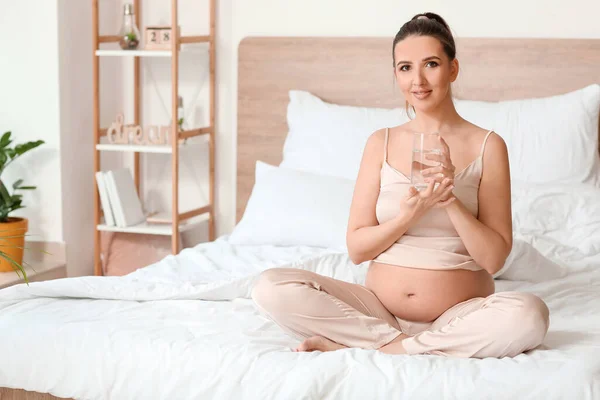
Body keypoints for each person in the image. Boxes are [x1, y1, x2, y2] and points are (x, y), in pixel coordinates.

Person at [250, 12, 550, 358]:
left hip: (458, 317)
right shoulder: (381, 142)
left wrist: (449, 199)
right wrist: (407, 217)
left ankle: (378, 346)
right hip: (375, 311)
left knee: (529, 314)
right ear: (396, 74)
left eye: (431, 64)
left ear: (452, 69)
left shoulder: (489, 146)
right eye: (405, 67)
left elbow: (494, 259)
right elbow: (357, 249)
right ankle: (396, 343)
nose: (418, 80)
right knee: (269, 287)